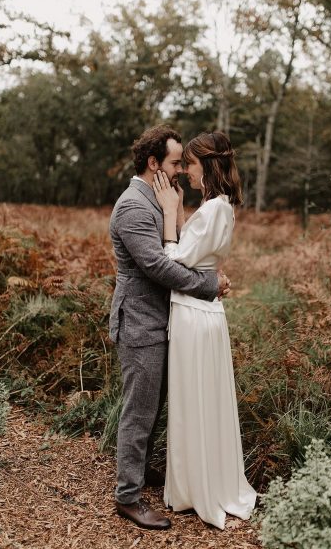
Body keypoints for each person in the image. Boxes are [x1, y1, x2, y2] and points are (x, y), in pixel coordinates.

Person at [109, 125, 231, 531]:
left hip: (164, 321)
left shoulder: (157, 200)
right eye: (176, 162)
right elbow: (161, 267)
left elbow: (179, 248)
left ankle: (140, 472)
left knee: (155, 405)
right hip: (141, 322)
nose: (180, 170)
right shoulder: (134, 207)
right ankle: (127, 496)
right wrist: (210, 285)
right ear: (153, 163)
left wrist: (174, 211)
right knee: (138, 410)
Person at [152, 131, 257, 530]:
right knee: (205, 397)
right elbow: (197, 251)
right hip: (209, 312)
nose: (185, 172)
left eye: (190, 165)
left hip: (193, 313)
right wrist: (179, 209)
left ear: (208, 166)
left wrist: (165, 213)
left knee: (192, 397)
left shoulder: (213, 209)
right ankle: (205, 481)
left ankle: (197, 489)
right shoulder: (221, 206)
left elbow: (174, 260)